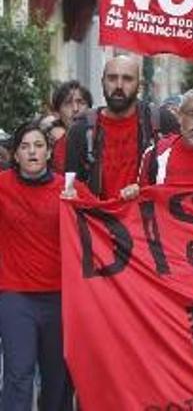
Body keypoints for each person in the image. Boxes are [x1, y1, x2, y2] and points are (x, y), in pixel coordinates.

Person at [0, 121, 90, 411]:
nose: (32, 152)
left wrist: (81, 209)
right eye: (24, 147)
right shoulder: (1, 186)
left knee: (58, 378)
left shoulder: (70, 188)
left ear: (49, 152)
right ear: (14, 155)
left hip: (61, 297)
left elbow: (108, 217)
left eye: (38, 146)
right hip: (14, 295)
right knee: (18, 373)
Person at [65, 55, 180, 199]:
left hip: (146, 218)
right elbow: (70, 186)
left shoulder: (162, 122)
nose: (119, 85)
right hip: (97, 219)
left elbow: (181, 175)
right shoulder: (81, 130)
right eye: (112, 78)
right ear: (102, 82)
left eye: (127, 79)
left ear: (139, 85)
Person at [48, 80, 93, 172]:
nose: (75, 109)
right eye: (68, 103)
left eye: (81, 102)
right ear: (57, 113)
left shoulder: (98, 136)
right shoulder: (48, 142)